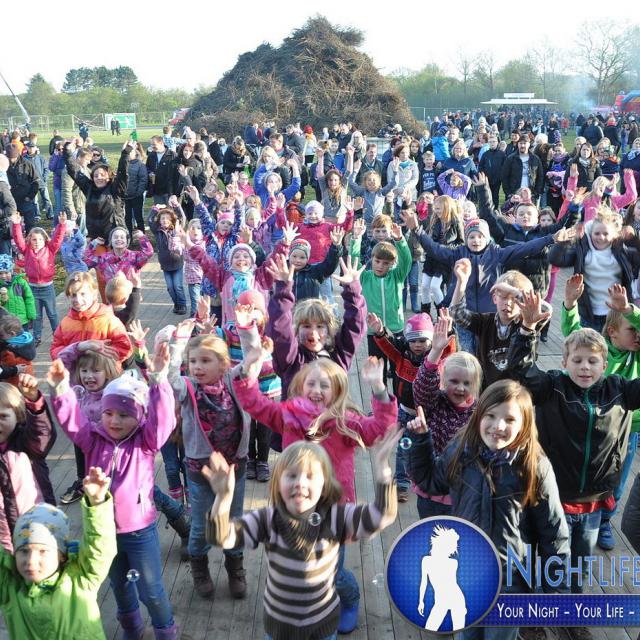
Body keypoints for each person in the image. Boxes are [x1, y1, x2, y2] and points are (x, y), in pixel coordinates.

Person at [233, 326, 398, 635]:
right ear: (299, 386)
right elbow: (254, 403)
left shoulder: (345, 423)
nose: (317, 390)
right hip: (292, 508)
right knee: (297, 567)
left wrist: (378, 389)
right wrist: (248, 369)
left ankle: (348, 599)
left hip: (333, 513)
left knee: (331, 572)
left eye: (325, 385)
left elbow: (378, 429)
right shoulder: (287, 416)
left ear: (338, 391)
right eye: (311, 383)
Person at [408, 378, 569, 640]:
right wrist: (420, 441)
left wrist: (556, 589)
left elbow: (554, 533)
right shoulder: (460, 451)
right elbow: (430, 481)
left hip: (511, 580)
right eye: (490, 416)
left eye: (510, 419)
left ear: (525, 424)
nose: (498, 426)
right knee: (466, 633)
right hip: (467, 574)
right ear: (478, 415)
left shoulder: (535, 467)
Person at [204, 429, 399, 640]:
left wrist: (383, 469)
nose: (300, 482)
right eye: (291, 475)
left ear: (324, 485)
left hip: (322, 626)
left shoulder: (336, 517)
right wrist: (223, 499)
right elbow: (221, 537)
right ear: (278, 483)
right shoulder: (268, 520)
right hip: (280, 628)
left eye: (310, 476)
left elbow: (381, 516)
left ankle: (351, 600)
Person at [48, 344, 179, 639]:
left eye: (123, 414)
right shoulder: (92, 438)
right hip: (102, 531)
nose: (114, 421)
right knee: (119, 585)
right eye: (108, 413)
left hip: (139, 530)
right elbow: (72, 420)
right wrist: (60, 390)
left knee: (152, 590)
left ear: (139, 416)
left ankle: (165, 631)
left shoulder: (146, 442)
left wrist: (159, 380)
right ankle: (131, 629)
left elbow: (163, 421)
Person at [166, 325, 250, 600]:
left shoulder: (232, 382)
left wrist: (247, 329)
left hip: (234, 467)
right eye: (193, 361)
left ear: (223, 364)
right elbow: (170, 380)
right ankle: (199, 568)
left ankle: (235, 567)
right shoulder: (188, 388)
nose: (197, 367)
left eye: (205, 360)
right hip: (200, 469)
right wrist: (178, 342)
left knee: (233, 520)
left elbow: (251, 361)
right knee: (202, 525)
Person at [0, 467, 116, 638]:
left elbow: (100, 548)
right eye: (23, 551)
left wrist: (97, 504)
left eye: (43, 551)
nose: (31, 560)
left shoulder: (82, 578)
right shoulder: (9, 585)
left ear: (61, 555)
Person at [50, 271, 131, 363]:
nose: (78, 300)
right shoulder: (65, 323)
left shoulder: (108, 320)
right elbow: (55, 351)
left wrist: (99, 358)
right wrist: (77, 348)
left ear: (94, 294)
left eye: (83, 294)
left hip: (104, 371)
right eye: (73, 295)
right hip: (74, 372)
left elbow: (124, 348)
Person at [11, 211, 65, 348]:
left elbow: (57, 239)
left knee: (52, 314)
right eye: (34, 239)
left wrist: (61, 225)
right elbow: (18, 240)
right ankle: (37, 337)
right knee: (36, 316)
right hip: (33, 288)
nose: (37, 242)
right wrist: (16, 224)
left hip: (48, 288)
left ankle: (58, 336)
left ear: (45, 240)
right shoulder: (26, 250)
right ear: (29, 240)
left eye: (40, 239)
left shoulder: (50, 249)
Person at [64, 140, 133, 242]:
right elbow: (74, 171)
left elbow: (122, 174)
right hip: (96, 237)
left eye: (102, 175)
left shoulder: (116, 189)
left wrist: (125, 154)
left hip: (115, 236)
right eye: (96, 176)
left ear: (109, 177)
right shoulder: (89, 188)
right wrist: (67, 152)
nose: (99, 178)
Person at [148, 204, 188, 314]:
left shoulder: (176, 229)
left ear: (172, 221)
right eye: (162, 218)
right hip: (165, 265)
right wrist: (155, 209)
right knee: (170, 287)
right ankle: (176, 304)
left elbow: (182, 217)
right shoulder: (158, 231)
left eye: (167, 218)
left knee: (178, 286)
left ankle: (182, 305)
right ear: (159, 221)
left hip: (177, 263)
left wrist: (177, 206)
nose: (165, 220)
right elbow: (150, 220)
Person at [5, 144, 39, 233]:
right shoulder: (3, 165)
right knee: (10, 226)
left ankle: (29, 239)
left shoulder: (27, 164)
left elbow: (35, 181)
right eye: (9, 158)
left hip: (25, 198)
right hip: (9, 200)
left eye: (13, 158)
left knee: (30, 225)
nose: (11, 160)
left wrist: (30, 196)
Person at [501, 136, 544, 203]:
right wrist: (508, 193)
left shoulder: (535, 159)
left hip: (530, 195)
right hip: (514, 195)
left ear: (529, 144)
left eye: (524, 143)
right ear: (518, 144)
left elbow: (540, 176)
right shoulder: (510, 159)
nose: (522, 145)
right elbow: (504, 176)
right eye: (520, 143)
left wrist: (536, 192)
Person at [0, 254, 35, 329]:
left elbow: (29, 298)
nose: (3, 276)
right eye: (0, 273)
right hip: (6, 322)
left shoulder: (21, 282)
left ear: (11, 271)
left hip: (22, 320)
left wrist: (31, 314)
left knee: (23, 335)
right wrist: (2, 298)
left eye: (6, 272)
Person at [124, 142, 148, 235]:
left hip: (136, 196)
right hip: (125, 196)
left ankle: (142, 238)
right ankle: (129, 238)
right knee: (127, 218)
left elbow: (143, 180)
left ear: (135, 153)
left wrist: (138, 193)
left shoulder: (140, 165)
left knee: (138, 217)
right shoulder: (123, 163)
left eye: (131, 152)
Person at [23, 143, 52, 221]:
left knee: (46, 199)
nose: (31, 149)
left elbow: (47, 169)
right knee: (34, 201)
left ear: (36, 148)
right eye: (30, 147)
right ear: (27, 148)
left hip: (42, 183)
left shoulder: (41, 157)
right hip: (32, 184)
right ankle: (37, 215)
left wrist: (44, 178)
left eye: (33, 147)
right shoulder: (24, 159)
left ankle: (50, 214)